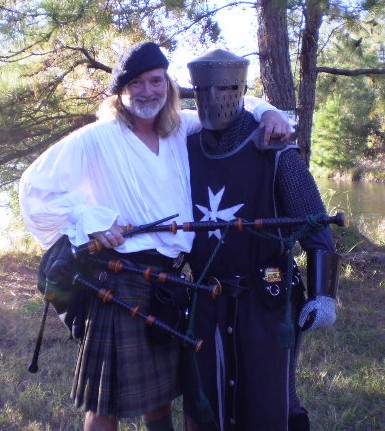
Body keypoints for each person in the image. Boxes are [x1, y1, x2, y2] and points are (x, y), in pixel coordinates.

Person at [19, 42, 293, 431]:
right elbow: (34, 188)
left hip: (171, 279)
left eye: (155, 81)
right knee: (105, 405)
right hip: (119, 278)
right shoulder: (96, 138)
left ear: (168, 84)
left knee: (161, 398)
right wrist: (88, 217)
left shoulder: (179, 128)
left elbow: (234, 110)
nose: (147, 91)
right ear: (120, 91)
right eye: (136, 84)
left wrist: (269, 111)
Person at [182, 49, 341, 431]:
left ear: (239, 88)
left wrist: (323, 294)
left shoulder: (275, 149)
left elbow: (313, 224)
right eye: (203, 90)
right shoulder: (184, 150)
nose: (213, 98)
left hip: (268, 298)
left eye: (223, 88)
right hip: (208, 299)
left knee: (271, 400)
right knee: (211, 402)